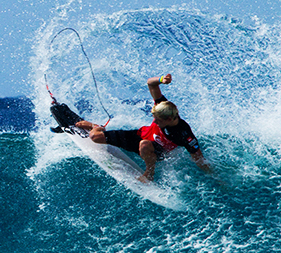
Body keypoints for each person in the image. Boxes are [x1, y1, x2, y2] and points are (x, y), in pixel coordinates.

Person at [75, 74, 211, 182]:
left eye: (157, 120)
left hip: (157, 151)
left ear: (169, 120)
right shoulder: (163, 106)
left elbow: (199, 158)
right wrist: (162, 79)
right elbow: (151, 83)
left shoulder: (184, 134)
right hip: (139, 135)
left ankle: (149, 173)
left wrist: (217, 178)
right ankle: (96, 126)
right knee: (94, 137)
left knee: (144, 145)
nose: (155, 122)